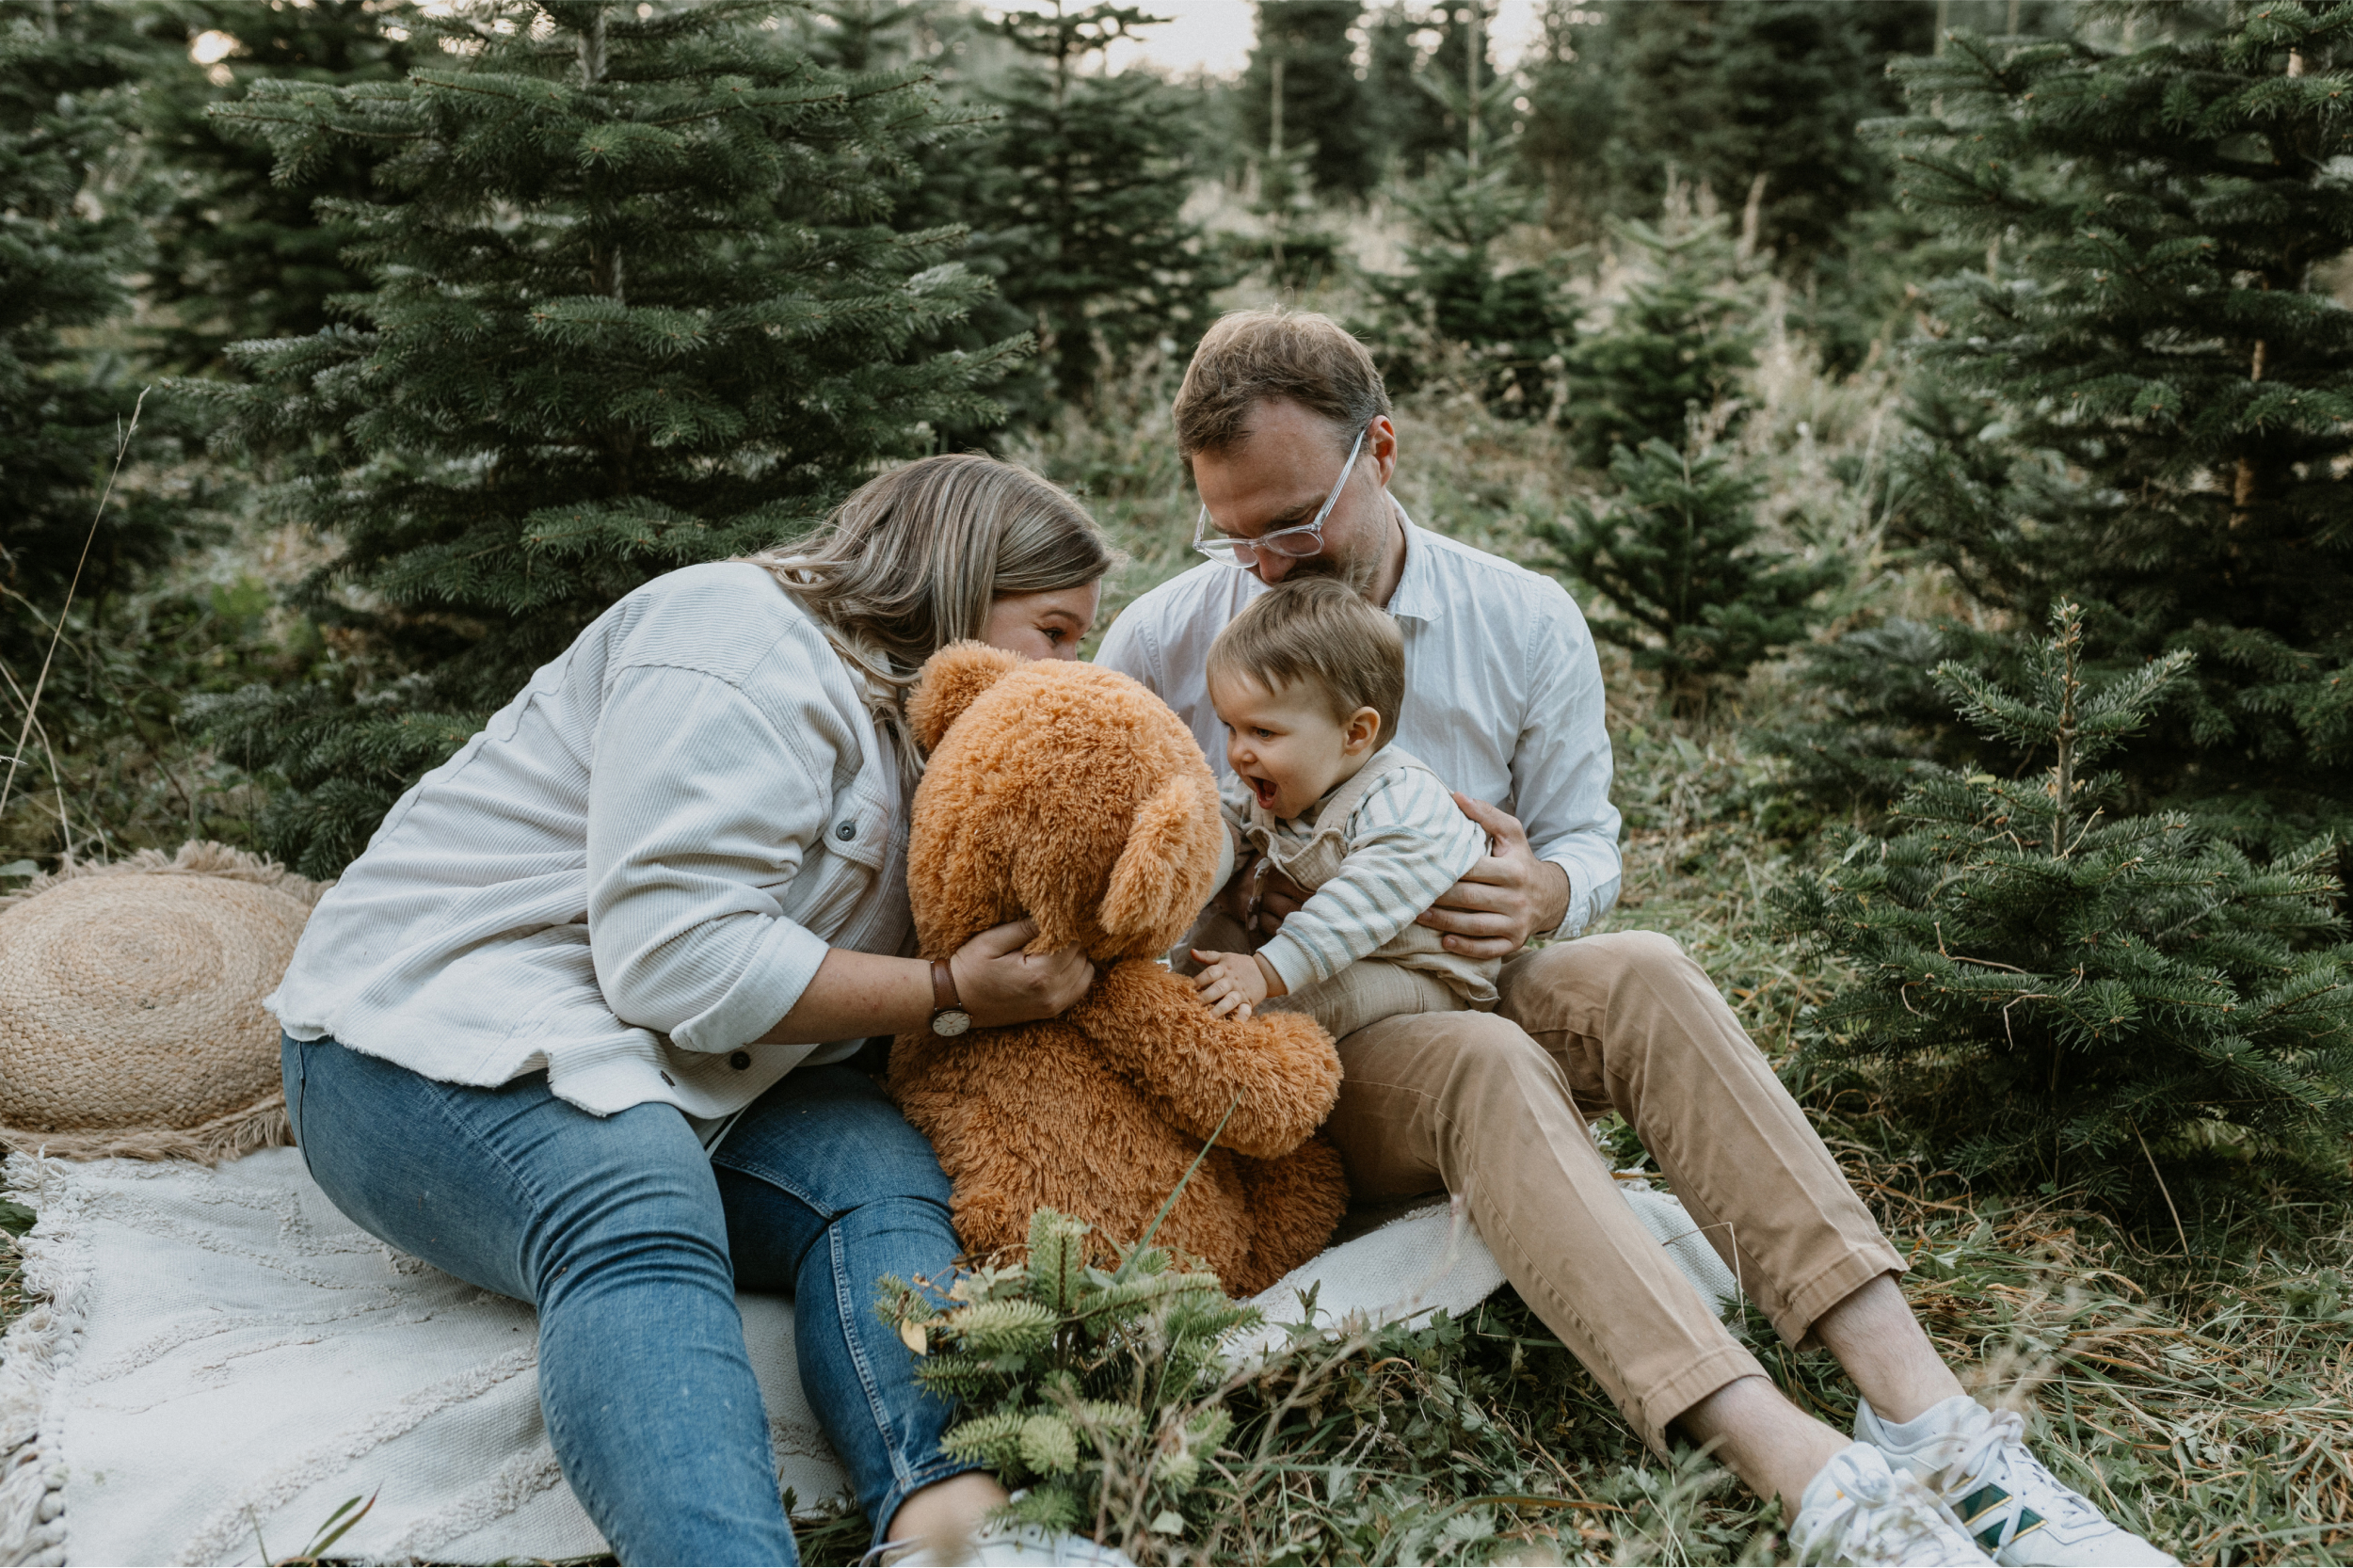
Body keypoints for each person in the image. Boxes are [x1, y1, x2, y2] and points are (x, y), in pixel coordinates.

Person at [1096, 310, 2172, 1568]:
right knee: (1481, 1061)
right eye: (1233, 534)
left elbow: (1589, 839)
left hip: (1484, 971)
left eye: (1292, 522)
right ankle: (1813, 1477)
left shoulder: (1522, 617)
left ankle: (1930, 1421)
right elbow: (1115, 888)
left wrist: (1545, 890)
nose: (1266, 562)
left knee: (1647, 970)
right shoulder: (1165, 642)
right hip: (1320, 1048)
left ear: (1379, 450)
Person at [269, 455, 1132, 1567]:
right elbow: (676, 959)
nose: (1068, 665)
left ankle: (952, 1529)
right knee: (634, 1197)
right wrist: (951, 992)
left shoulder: (923, 723)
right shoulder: (734, 636)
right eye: (1054, 630)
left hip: (703, 1068)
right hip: (424, 1031)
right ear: (960, 583)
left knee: (879, 1180)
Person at [1184, 575, 1498, 1043]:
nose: (1238, 753)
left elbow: (1356, 906)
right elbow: (1224, 826)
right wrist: (1184, 886)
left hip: (1416, 971)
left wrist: (1264, 974)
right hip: (1312, 949)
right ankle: (1172, 1022)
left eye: (1263, 732)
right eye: (1231, 727)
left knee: (1287, 1008)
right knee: (1207, 949)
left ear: (1354, 733)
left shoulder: (1404, 802)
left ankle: (1228, 1068)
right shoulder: (1270, 780)